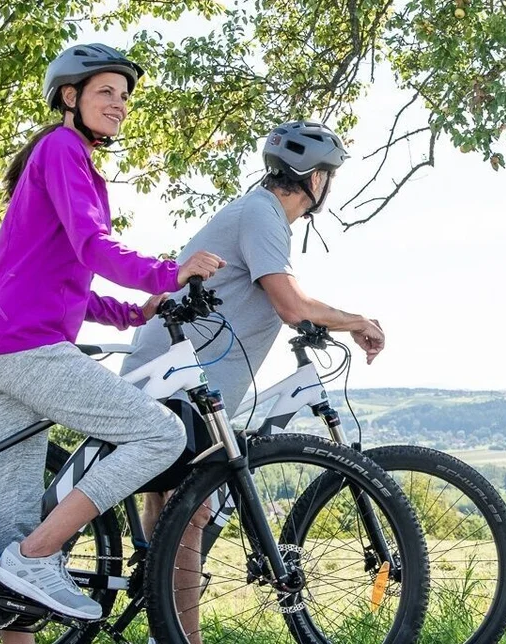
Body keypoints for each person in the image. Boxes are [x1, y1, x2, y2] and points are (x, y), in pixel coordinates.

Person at [0, 42, 223, 637]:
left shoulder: (65, 160)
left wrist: (136, 312)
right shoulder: (62, 149)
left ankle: (22, 564)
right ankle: (39, 556)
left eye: (125, 96)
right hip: (29, 351)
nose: (119, 104)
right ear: (70, 96)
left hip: (8, 352)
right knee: (161, 433)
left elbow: (64, 280)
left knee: (9, 553)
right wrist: (167, 271)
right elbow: (92, 245)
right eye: (107, 91)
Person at [117, 121, 386, 641]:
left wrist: (320, 319)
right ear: (315, 178)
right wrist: (357, 321)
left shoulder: (257, 212)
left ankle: (163, 623)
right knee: (190, 512)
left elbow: (277, 299)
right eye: (330, 176)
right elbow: (291, 304)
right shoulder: (263, 213)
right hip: (179, 375)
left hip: (172, 367)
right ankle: (178, 637)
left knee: (174, 506)